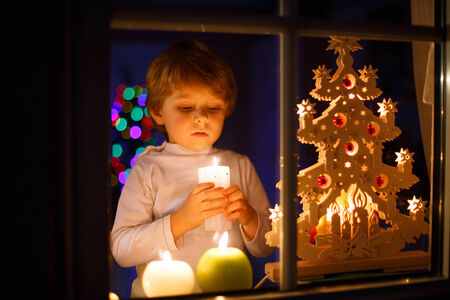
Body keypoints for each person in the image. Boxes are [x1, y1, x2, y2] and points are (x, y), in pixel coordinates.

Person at [110, 40, 274, 297]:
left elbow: (266, 246)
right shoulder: (149, 169)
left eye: (213, 107)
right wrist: (179, 221)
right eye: (186, 107)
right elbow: (121, 249)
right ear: (157, 111)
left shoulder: (240, 165)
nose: (202, 117)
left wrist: (250, 218)